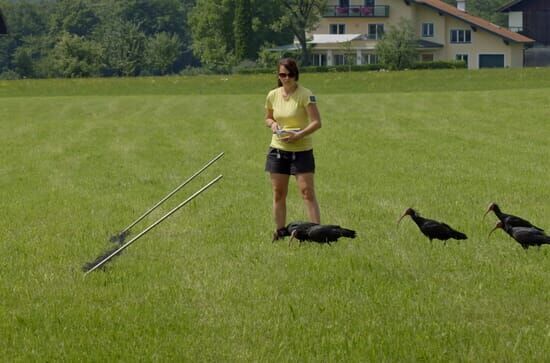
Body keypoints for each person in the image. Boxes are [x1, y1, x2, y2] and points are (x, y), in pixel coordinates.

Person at [264, 58, 322, 240]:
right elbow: (268, 118)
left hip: (302, 150)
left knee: (307, 192)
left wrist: (299, 135)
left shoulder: (306, 95)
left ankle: (316, 233)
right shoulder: (272, 95)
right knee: (278, 193)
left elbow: (316, 122)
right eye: (282, 74)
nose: (286, 78)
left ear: (295, 75)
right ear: (278, 75)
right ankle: (280, 231)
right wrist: (273, 125)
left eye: (290, 75)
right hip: (278, 149)